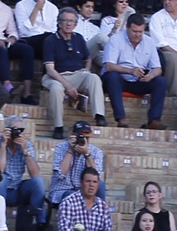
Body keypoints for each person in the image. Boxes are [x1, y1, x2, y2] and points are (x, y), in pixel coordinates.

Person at [42, 7, 105, 140]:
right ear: (59, 23)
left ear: (76, 24)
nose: (69, 24)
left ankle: (99, 115)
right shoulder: (50, 40)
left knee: (93, 77)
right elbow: (50, 69)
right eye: (65, 21)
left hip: (76, 74)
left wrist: (87, 70)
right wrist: (68, 86)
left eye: (72, 21)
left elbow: (88, 58)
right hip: (56, 76)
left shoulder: (79, 38)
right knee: (56, 89)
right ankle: (58, 127)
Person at [102, 14, 167, 130]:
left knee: (160, 81)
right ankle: (121, 118)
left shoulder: (149, 42)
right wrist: (130, 71)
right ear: (127, 28)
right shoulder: (115, 39)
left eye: (140, 32)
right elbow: (109, 66)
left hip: (139, 80)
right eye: (134, 31)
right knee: (112, 77)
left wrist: (150, 76)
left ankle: (154, 120)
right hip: (119, 79)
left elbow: (158, 68)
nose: (138, 35)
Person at [48, 120, 104, 206]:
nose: (84, 141)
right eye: (82, 137)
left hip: (84, 190)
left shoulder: (96, 152)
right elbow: (60, 174)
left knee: (101, 185)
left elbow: (96, 176)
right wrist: (70, 150)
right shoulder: (61, 147)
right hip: (62, 190)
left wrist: (87, 155)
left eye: (87, 138)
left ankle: (99, 216)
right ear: (73, 135)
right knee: (72, 196)